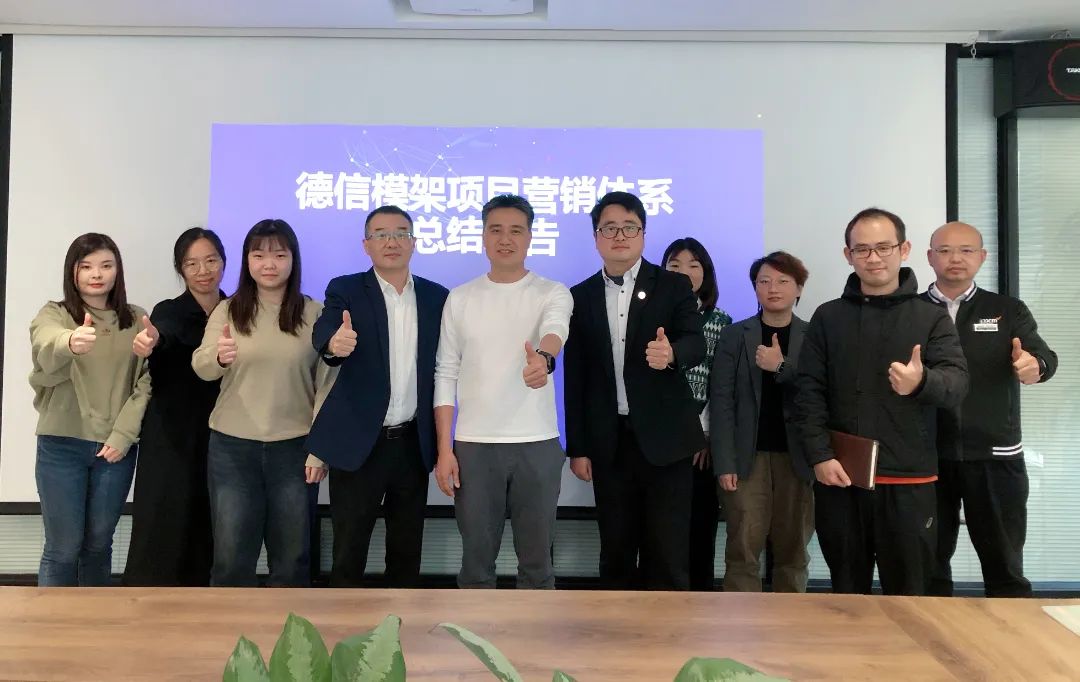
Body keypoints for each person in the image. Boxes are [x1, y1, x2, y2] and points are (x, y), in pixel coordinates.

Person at [795, 207, 968, 596]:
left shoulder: (931, 317)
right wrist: (820, 456)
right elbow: (808, 393)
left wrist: (922, 382)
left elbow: (957, 384)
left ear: (904, 250)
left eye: (884, 247)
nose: (873, 258)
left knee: (910, 595)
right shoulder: (828, 317)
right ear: (848, 255)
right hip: (842, 479)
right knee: (846, 594)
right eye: (862, 249)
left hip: (909, 481)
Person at [564, 191, 706, 590]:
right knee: (616, 551)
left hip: (667, 441)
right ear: (596, 237)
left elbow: (696, 342)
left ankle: (668, 629)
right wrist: (578, 447)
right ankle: (617, 629)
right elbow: (576, 377)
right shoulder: (580, 296)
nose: (620, 236)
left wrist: (672, 353)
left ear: (643, 234)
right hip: (610, 443)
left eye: (630, 227)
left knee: (668, 552)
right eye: (609, 228)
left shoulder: (674, 286)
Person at [433, 194, 572, 589]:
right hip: (473, 446)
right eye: (495, 230)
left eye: (515, 230)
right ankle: (474, 631)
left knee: (537, 565)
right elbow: (446, 373)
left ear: (530, 237)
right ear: (483, 236)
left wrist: (543, 358)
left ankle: (536, 632)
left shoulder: (552, 291)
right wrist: (445, 450)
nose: (505, 239)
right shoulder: (460, 298)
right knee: (476, 566)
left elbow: (556, 328)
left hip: (537, 443)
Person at [307, 206, 448, 587]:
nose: (392, 242)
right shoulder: (346, 289)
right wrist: (334, 344)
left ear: (414, 243)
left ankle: (400, 621)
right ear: (366, 244)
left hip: (412, 445)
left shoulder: (436, 297)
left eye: (401, 233)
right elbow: (325, 330)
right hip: (359, 445)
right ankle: (343, 623)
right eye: (381, 234)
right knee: (348, 551)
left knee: (406, 551)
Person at [192, 219, 332, 587]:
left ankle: (287, 626)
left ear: (293, 260)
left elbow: (327, 385)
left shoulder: (313, 313)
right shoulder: (228, 310)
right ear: (247, 261)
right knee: (231, 559)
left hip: (295, 448)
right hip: (232, 448)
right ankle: (232, 625)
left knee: (292, 560)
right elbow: (202, 366)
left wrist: (320, 449)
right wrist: (219, 357)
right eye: (259, 256)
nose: (269, 264)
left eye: (279, 255)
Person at [922, 221, 1057, 598]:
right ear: (930, 257)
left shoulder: (1005, 310)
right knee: (927, 567)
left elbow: (1044, 356)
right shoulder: (911, 310)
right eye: (945, 250)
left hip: (996, 457)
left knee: (1005, 568)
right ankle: (927, 634)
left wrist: (1035, 366)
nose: (955, 258)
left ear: (982, 257)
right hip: (927, 457)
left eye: (966, 250)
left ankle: (1010, 635)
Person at [30, 233, 150, 586]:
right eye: (86, 266)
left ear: (117, 271)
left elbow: (146, 383)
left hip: (115, 450)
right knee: (63, 549)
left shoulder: (136, 319)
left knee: (98, 546)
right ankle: (54, 621)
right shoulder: (56, 314)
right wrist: (69, 341)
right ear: (73, 271)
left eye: (106, 265)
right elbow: (45, 339)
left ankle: (94, 620)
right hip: (61, 445)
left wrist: (124, 435)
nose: (96, 274)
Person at [124, 228, 227, 586]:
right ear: (180, 269)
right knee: (162, 524)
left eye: (211, 260)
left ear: (224, 262)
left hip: (221, 434)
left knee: (210, 526)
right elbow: (164, 333)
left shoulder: (237, 310)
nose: (203, 270)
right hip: (171, 435)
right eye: (191, 263)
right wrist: (152, 340)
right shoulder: (169, 310)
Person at [712, 251, 815, 592]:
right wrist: (724, 462)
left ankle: (790, 620)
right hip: (747, 459)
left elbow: (819, 394)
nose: (773, 288)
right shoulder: (734, 335)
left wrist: (781, 367)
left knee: (793, 552)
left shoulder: (813, 336)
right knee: (742, 550)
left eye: (783, 281)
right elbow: (722, 401)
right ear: (754, 287)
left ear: (799, 288)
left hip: (798, 459)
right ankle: (742, 620)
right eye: (764, 281)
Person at [662, 237, 732, 591]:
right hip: (658, 441)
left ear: (706, 273)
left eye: (694, 265)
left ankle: (699, 603)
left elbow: (722, 387)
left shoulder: (721, 321)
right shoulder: (653, 317)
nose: (684, 272)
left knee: (699, 529)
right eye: (675, 265)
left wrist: (703, 436)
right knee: (660, 531)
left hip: (699, 445)